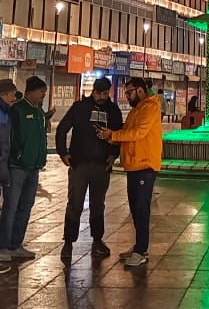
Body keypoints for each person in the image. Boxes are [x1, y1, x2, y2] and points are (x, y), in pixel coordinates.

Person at [96, 76, 162, 269]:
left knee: (141, 210)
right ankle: (138, 247)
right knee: (135, 209)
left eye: (129, 92)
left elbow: (139, 133)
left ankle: (141, 251)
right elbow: (128, 131)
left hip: (145, 165)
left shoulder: (149, 107)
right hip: (134, 165)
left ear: (140, 90)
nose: (127, 96)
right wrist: (112, 138)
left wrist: (114, 135)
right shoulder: (137, 109)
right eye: (126, 93)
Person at [55, 77, 123, 265]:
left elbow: (119, 135)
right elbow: (62, 129)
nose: (102, 97)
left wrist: (113, 154)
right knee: (75, 204)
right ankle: (68, 242)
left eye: (105, 93)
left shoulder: (113, 110)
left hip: (102, 166)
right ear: (93, 91)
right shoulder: (80, 108)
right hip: (80, 164)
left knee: (98, 204)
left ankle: (97, 240)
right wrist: (63, 153)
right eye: (99, 93)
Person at [0, 76, 47, 263]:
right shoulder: (17, 110)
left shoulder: (39, 112)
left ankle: (16, 244)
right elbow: (11, 138)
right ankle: (4, 244)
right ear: (30, 92)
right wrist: (17, 156)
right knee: (11, 207)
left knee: (26, 207)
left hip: (34, 168)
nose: (44, 94)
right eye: (41, 91)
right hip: (17, 167)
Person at [0, 81, 18, 275]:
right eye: (12, 95)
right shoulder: (2, 113)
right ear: (4, 94)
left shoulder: (6, 112)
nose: (14, 99)